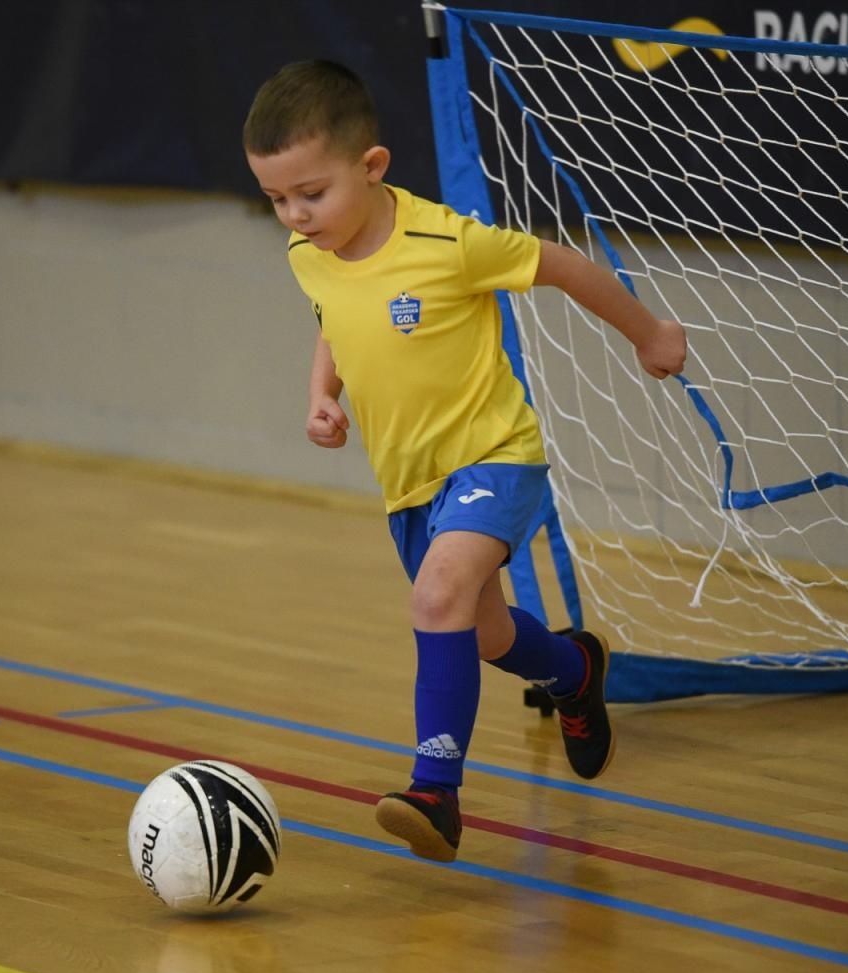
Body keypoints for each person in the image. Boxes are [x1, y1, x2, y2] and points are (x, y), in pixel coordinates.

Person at [243, 60, 686, 863]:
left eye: (311, 193)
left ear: (372, 168)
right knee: (478, 632)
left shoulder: (448, 242)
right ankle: (574, 669)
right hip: (408, 484)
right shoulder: (310, 256)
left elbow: (562, 263)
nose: (295, 215)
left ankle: (435, 791)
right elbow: (336, 321)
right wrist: (321, 393)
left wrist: (648, 334)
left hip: (494, 457)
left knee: (437, 594)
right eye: (277, 199)